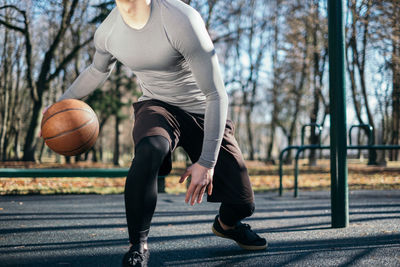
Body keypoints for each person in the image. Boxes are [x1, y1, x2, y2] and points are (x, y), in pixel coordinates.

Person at [55, 0, 266, 266]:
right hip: (158, 106)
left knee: (243, 204)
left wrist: (207, 161)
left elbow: (215, 94)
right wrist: (57, 108)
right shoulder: (108, 31)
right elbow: (97, 70)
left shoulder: (180, 19)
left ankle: (226, 225)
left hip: (204, 110)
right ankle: (138, 245)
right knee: (150, 149)